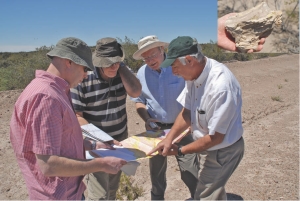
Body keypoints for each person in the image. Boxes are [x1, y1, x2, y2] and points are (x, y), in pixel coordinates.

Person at [9, 37, 127, 200]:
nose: (86, 75)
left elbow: (63, 142)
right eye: (85, 68)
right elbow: (49, 165)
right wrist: (102, 164)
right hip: (58, 195)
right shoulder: (46, 98)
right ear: (68, 62)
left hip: (69, 192)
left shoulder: (55, 91)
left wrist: (93, 144)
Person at [148, 36, 245, 200]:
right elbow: (187, 112)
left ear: (189, 60)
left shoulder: (221, 87)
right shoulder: (193, 75)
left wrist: (179, 150)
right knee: (213, 190)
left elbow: (215, 138)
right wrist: (169, 138)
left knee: (204, 195)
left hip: (224, 149)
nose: (173, 72)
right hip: (209, 144)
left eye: (174, 66)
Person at [71, 37, 142, 200]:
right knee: (99, 195)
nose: (114, 65)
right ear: (98, 61)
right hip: (96, 145)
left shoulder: (122, 72)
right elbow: (77, 116)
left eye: (117, 61)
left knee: (112, 189)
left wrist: (122, 66)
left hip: (119, 142)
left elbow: (136, 92)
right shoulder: (84, 78)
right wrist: (103, 139)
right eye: (109, 62)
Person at [131, 35, 199, 200]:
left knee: (191, 173)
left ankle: (199, 197)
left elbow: (195, 95)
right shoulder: (141, 73)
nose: (150, 60)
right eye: (146, 57)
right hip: (157, 132)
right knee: (156, 176)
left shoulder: (178, 66)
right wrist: (146, 118)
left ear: (163, 50)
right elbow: (139, 102)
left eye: (153, 54)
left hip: (183, 129)